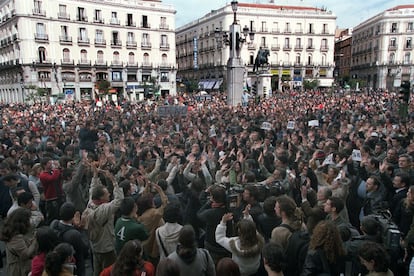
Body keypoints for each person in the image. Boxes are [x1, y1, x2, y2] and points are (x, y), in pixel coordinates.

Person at [83, 166, 124, 276]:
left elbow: (92, 188)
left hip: (95, 244)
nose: (109, 194)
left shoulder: (91, 204)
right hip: (107, 247)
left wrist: (95, 175)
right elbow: (119, 200)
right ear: (101, 199)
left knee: (97, 270)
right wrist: (114, 181)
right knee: (109, 271)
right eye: (107, 194)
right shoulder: (103, 209)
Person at [50, 202, 90, 276]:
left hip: (57, 264)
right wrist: (81, 229)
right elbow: (85, 249)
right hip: (74, 267)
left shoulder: (54, 224)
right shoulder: (74, 234)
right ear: (73, 216)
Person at [0, 208, 38, 276]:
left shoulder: (11, 231)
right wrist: (35, 240)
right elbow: (25, 254)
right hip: (19, 269)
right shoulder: (16, 238)